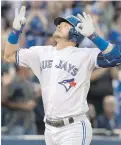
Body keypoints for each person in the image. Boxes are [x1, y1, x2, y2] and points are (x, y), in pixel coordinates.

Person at [4, 6, 121, 145]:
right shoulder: (41, 52)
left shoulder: (84, 54)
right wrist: (15, 31)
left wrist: (93, 36)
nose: (58, 26)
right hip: (50, 128)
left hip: (74, 128)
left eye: (64, 25)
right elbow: (9, 55)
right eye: (59, 24)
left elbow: (115, 58)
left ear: (75, 33)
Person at [1, 66, 38, 135]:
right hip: (16, 123)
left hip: (30, 123)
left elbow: (31, 102)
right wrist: (23, 106)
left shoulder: (28, 82)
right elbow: (3, 101)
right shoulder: (12, 81)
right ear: (22, 68)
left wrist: (38, 95)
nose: (29, 69)